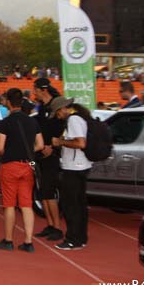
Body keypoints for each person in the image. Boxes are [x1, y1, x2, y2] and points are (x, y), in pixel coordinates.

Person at [0, 88, 43, 253]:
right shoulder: (32, 122)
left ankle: (8, 240)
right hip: (27, 165)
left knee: (9, 205)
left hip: (10, 166)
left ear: (8, 102)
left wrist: (10, 151)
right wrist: (26, 151)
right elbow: (40, 145)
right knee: (26, 204)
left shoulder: (5, 122)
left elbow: (0, 148)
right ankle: (28, 241)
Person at [51, 96, 93, 250]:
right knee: (80, 205)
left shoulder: (73, 120)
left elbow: (80, 143)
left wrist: (60, 142)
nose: (58, 116)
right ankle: (80, 238)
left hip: (74, 168)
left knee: (71, 206)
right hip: (81, 166)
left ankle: (72, 239)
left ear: (63, 109)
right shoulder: (80, 117)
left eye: (57, 113)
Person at [32, 77, 65, 241]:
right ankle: (50, 224)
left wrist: (53, 147)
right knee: (43, 191)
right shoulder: (42, 108)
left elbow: (63, 130)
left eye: (36, 90)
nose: (34, 93)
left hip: (52, 155)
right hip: (41, 153)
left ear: (43, 90)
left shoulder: (57, 106)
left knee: (50, 192)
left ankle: (57, 227)